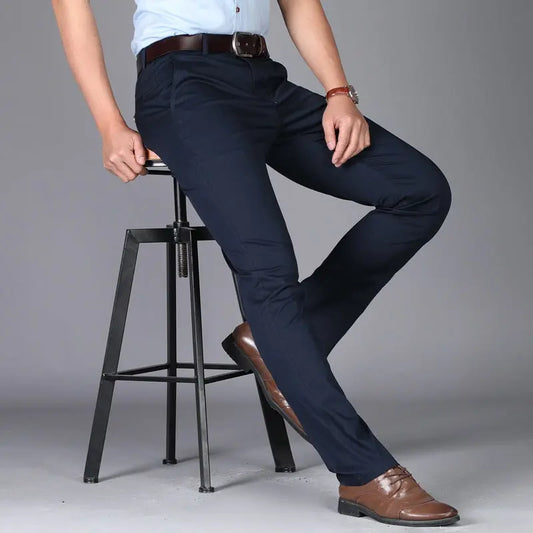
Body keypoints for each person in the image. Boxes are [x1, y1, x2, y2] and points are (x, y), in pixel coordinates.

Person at [51, 0, 460, 527]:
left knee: (420, 191)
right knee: (268, 268)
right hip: (183, 85)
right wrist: (109, 123)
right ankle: (363, 470)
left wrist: (339, 93)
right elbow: (70, 7)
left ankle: (278, 341)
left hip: (262, 79)